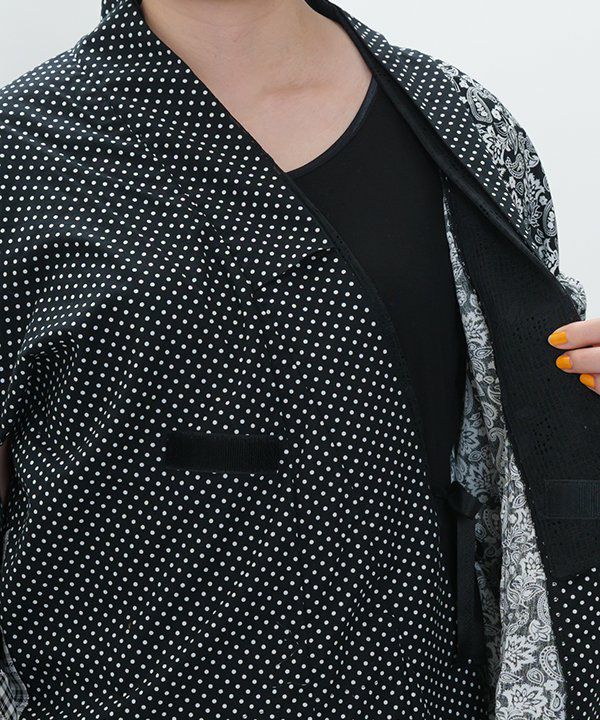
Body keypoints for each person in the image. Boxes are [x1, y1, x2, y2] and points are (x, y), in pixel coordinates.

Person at [0, 0, 598, 718]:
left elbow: (524, 471)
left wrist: (578, 407)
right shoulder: (22, 153)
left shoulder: (464, 129)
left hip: (418, 688)